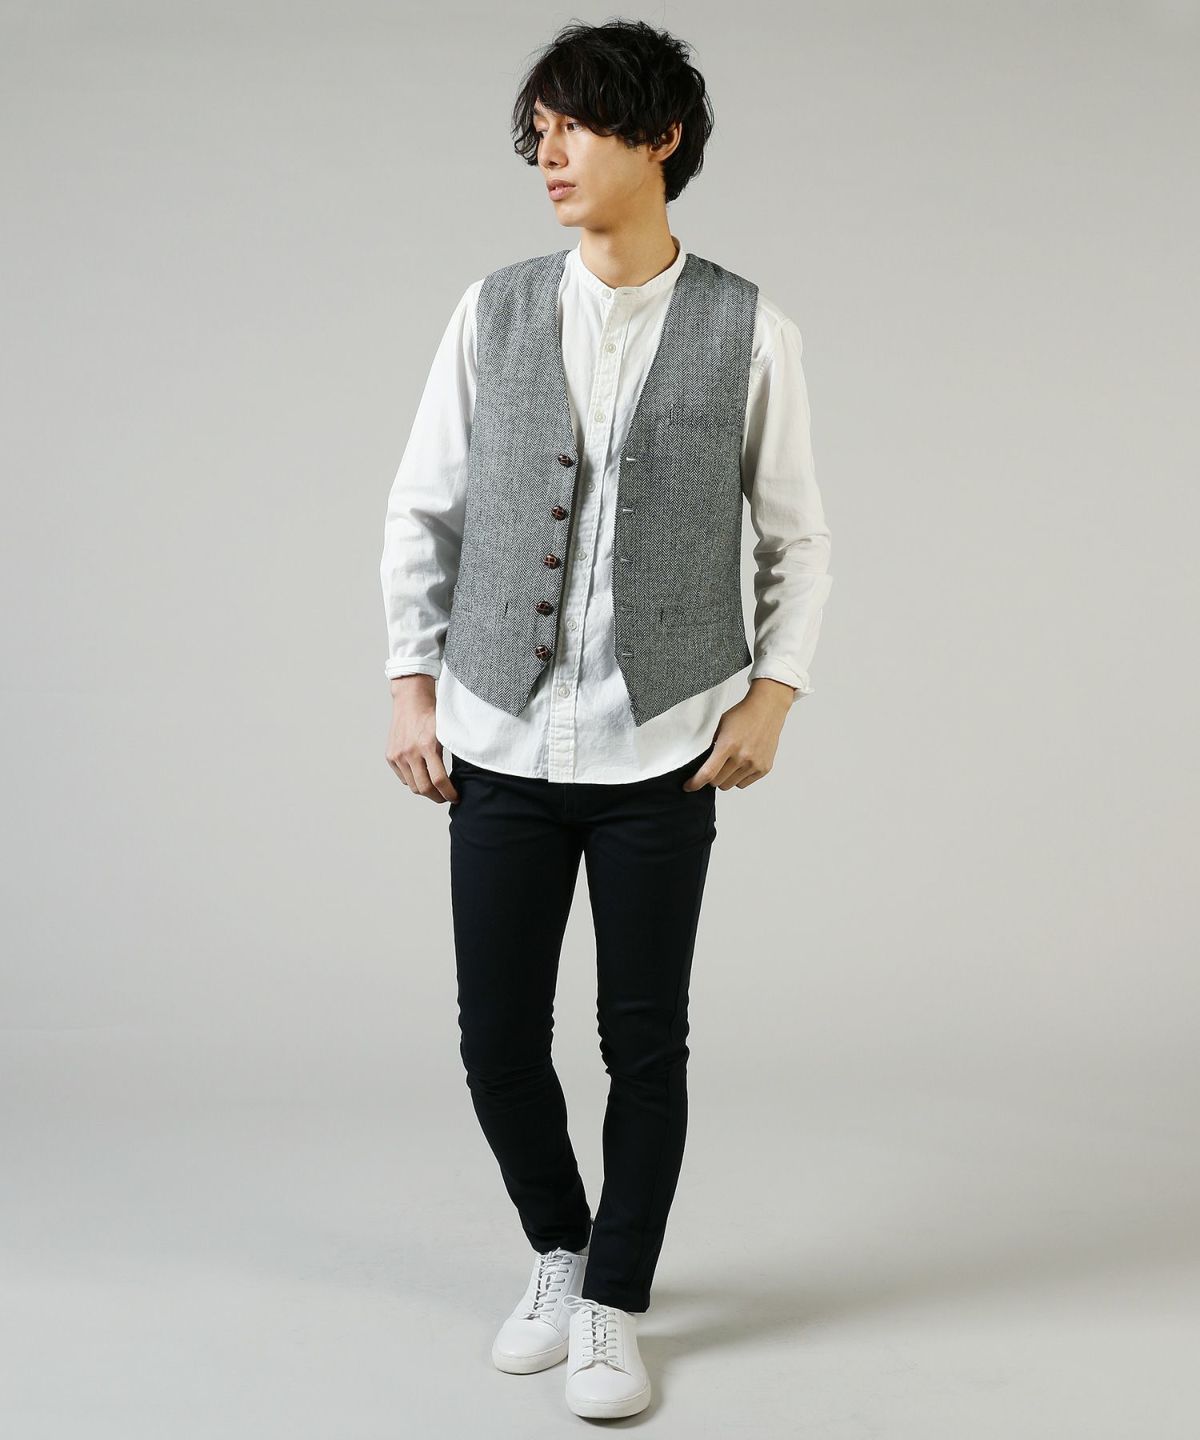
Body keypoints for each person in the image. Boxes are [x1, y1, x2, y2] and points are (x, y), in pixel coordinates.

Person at [379, 18, 832, 1420]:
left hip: (662, 747)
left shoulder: (752, 328)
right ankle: (561, 1252)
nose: (550, 153)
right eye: (540, 130)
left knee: (646, 1044)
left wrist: (773, 693)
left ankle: (615, 1302)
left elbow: (799, 539)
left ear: (663, 137)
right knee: (497, 1041)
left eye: (576, 125)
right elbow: (423, 507)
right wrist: (410, 682)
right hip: (498, 737)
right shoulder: (492, 311)